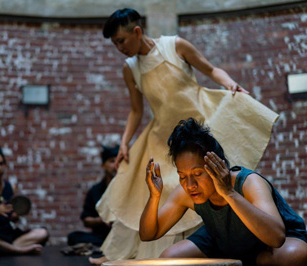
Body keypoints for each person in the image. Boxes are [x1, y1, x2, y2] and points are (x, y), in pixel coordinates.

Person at [93, 7, 279, 264]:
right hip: (163, 137)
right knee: (167, 189)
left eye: (121, 41)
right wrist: (124, 142)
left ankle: (221, 247)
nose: (119, 48)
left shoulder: (175, 45)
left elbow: (211, 69)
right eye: (115, 44)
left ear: (137, 31)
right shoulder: (130, 68)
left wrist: (229, 84)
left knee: (208, 181)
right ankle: (162, 255)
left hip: (200, 127)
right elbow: (136, 110)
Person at [140, 118, 307, 265]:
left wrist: (229, 193)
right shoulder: (187, 190)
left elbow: (277, 237)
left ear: (215, 166)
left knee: (293, 256)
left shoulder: (248, 182)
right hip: (222, 237)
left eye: (197, 174)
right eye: (182, 176)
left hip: (271, 242)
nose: (190, 184)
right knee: (168, 259)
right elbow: (148, 234)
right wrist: (154, 197)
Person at [0, 146, 49, 256]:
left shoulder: (11, 187)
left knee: (43, 233)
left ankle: (6, 249)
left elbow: (12, 217)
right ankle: (18, 250)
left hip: (6, 233)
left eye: (1, 164)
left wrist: (14, 216)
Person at [67, 145, 119, 247]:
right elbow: (86, 220)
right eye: (112, 161)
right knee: (73, 237)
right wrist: (103, 220)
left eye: (119, 161)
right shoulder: (95, 190)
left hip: (123, 236)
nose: (117, 165)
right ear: (103, 165)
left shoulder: (129, 188)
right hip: (101, 236)